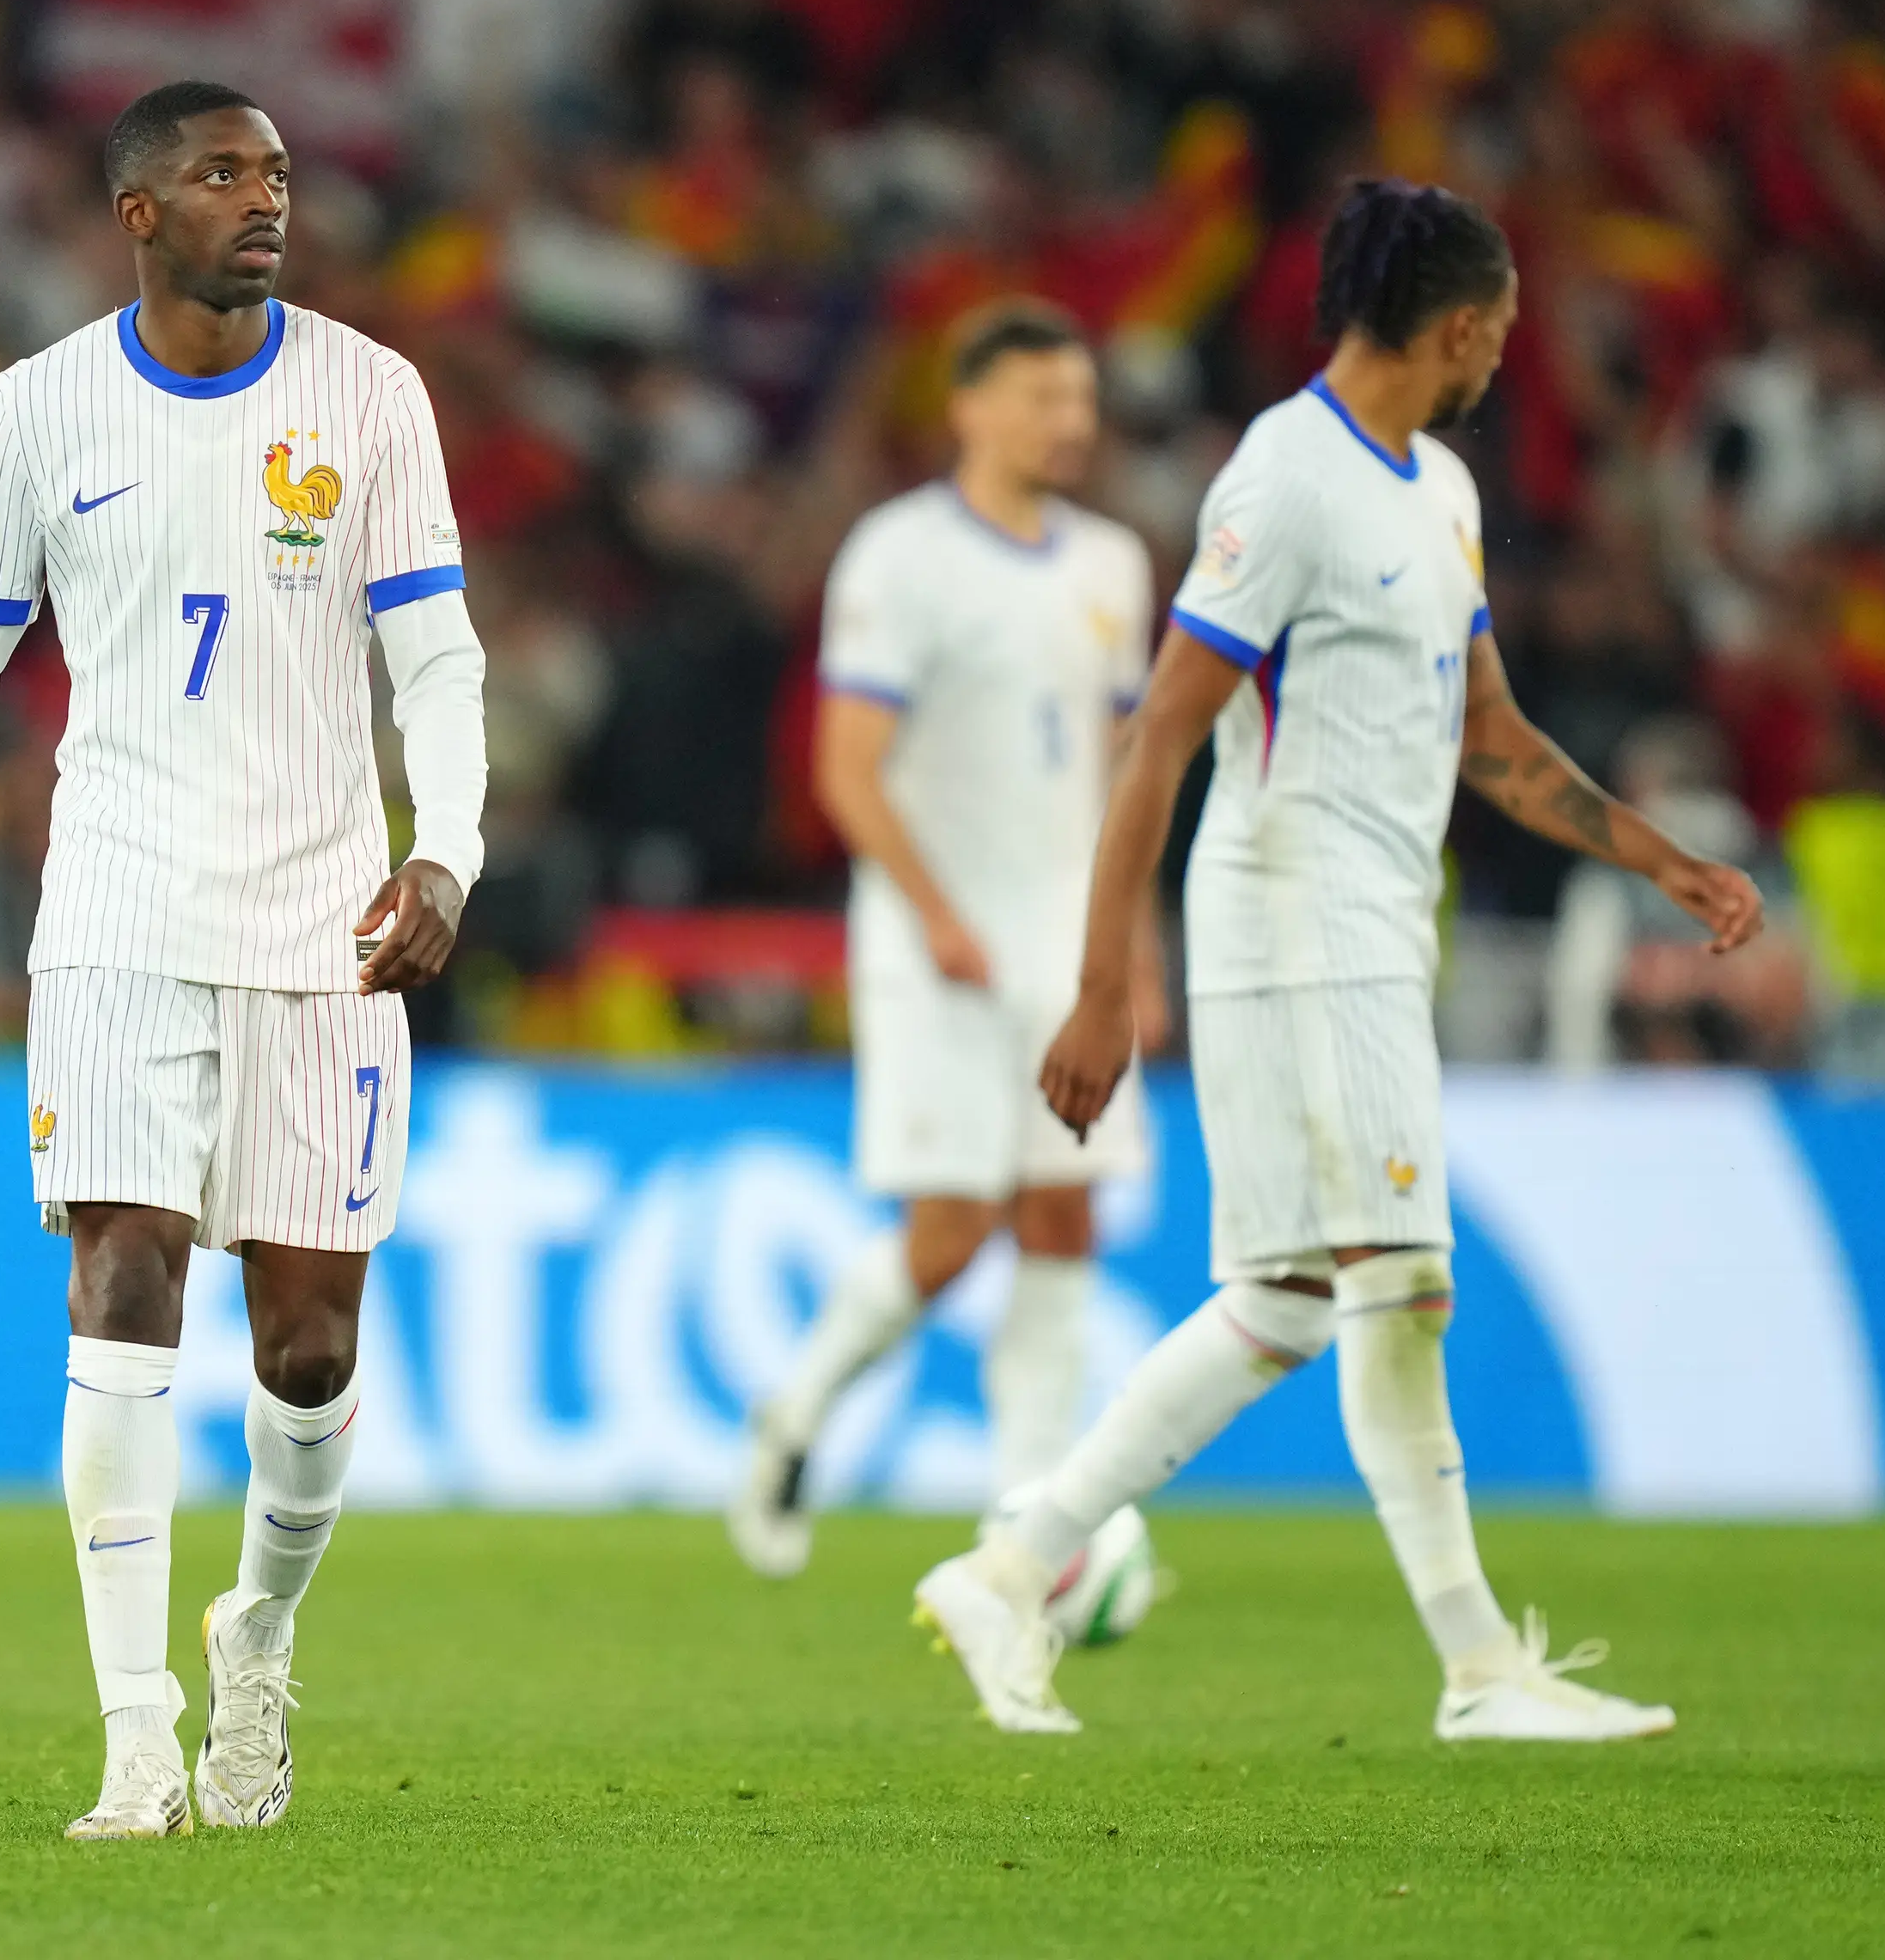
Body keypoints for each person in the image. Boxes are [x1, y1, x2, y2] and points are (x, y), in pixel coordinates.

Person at [914, 180, 1764, 1742]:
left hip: (1375, 922)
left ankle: (1015, 1565)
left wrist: (1663, 860)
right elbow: (1160, 735)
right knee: (1399, 1281)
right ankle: (1478, 1669)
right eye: (1496, 335)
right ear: (1453, 325)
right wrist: (1107, 983)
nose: (1501, 362)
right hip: (1294, 919)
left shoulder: (1436, 489)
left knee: (1292, 1296)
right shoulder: (1285, 481)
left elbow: (1490, 739)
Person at [0, 82, 487, 1839]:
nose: (263, 199)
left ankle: (257, 1627)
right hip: (117, 909)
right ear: (137, 210)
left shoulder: (369, 395)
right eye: (222, 173)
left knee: (307, 1352)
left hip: (325, 922)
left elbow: (440, 660)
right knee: (122, 1282)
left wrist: (447, 851)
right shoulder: (41, 409)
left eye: (276, 174)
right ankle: (136, 1735)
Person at [727, 300, 1159, 1578]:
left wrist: (1135, 951)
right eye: (1040, 398)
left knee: (1065, 1213)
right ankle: (792, 1418)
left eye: (1080, 401)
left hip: (1067, 942)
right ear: (966, 407)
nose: (1067, 424)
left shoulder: (1112, 567)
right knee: (955, 1226)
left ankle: (1028, 1521)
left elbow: (1123, 777)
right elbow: (848, 771)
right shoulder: (899, 556)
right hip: (936, 938)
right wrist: (937, 917)